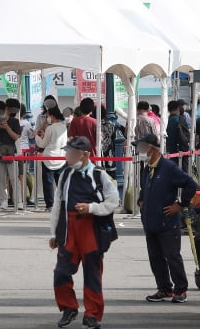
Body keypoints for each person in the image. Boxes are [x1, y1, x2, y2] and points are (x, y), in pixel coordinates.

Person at [49, 136, 119, 329]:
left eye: (71, 153)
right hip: (69, 229)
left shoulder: (99, 175)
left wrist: (91, 208)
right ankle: (68, 308)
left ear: (85, 154)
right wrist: (54, 233)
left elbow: (113, 201)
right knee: (61, 272)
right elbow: (57, 204)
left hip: (91, 229)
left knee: (93, 274)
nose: (67, 156)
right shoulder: (65, 174)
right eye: (67, 152)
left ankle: (92, 315)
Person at [133, 133, 198, 304]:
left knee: (172, 256)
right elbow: (145, 187)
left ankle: (180, 289)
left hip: (167, 222)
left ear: (151, 149)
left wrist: (181, 204)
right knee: (155, 257)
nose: (138, 151)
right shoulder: (147, 167)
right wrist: (141, 199)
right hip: (150, 221)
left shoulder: (168, 167)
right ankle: (164, 288)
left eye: (141, 148)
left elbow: (190, 184)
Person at [0, 98, 22, 209]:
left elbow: (16, 137)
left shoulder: (14, 121)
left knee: (14, 178)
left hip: (11, 152)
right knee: (0, 179)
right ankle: (3, 201)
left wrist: (7, 127)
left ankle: (18, 201)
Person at [35, 106, 67, 211]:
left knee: (48, 182)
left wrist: (37, 137)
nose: (47, 118)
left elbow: (44, 144)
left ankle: (50, 205)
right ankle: (63, 203)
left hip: (49, 158)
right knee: (61, 182)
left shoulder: (50, 128)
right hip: (61, 157)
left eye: (48, 116)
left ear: (52, 116)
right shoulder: (63, 127)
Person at [166, 100, 190, 171]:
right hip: (182, 146)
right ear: (178, 108)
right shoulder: (179, 119)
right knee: (183, 167)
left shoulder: (172, 119)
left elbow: (171, 136)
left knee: (175, 168)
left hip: (175, 148)